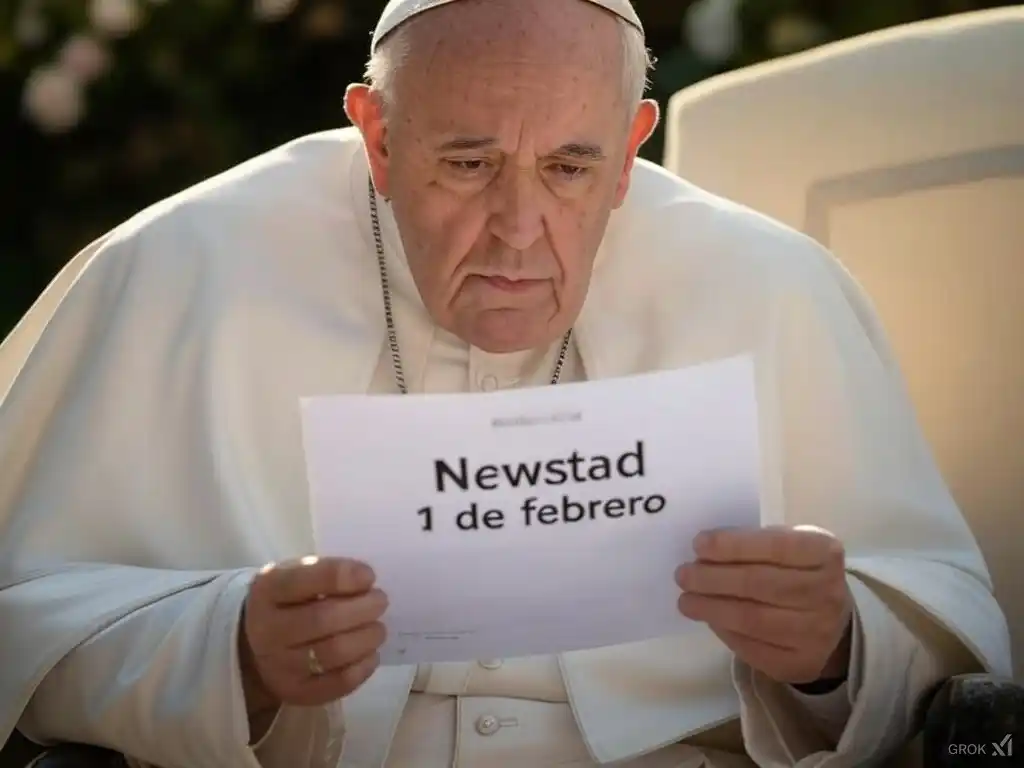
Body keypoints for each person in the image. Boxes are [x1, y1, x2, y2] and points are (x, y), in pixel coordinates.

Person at [0, 0, 1012, 765]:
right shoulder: (186, 268)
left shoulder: (772, 287)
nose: (519, 230)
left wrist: (833, 648)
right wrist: (226, 652)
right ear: (378, 137)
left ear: (628, 150)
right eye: (469, 164)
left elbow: (952, 653)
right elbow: (22, 613)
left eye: (571, 168)